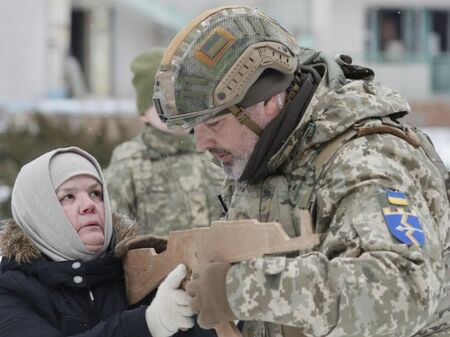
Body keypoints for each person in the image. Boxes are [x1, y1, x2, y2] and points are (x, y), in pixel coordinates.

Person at [153, 6, 450, 337]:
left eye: (213, 123)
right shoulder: (266, 152)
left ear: (267, 102)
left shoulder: (363, 160)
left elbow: (407, 289)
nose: (201, 143)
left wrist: (240, 289)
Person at [0, 146, 216, 337]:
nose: (89, 205)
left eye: (96, 193)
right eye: (68, 197)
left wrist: (219, 311)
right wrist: (148, 324)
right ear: (39, 213)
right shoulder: (10, 291)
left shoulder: (140, 269)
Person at [105, 48, 224, 237]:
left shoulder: (216, 153)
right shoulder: (130, 162)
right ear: (143, 113)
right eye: (164, 102)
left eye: (183, 98)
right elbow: (115, 235)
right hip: (159, 265)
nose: (177, 108)